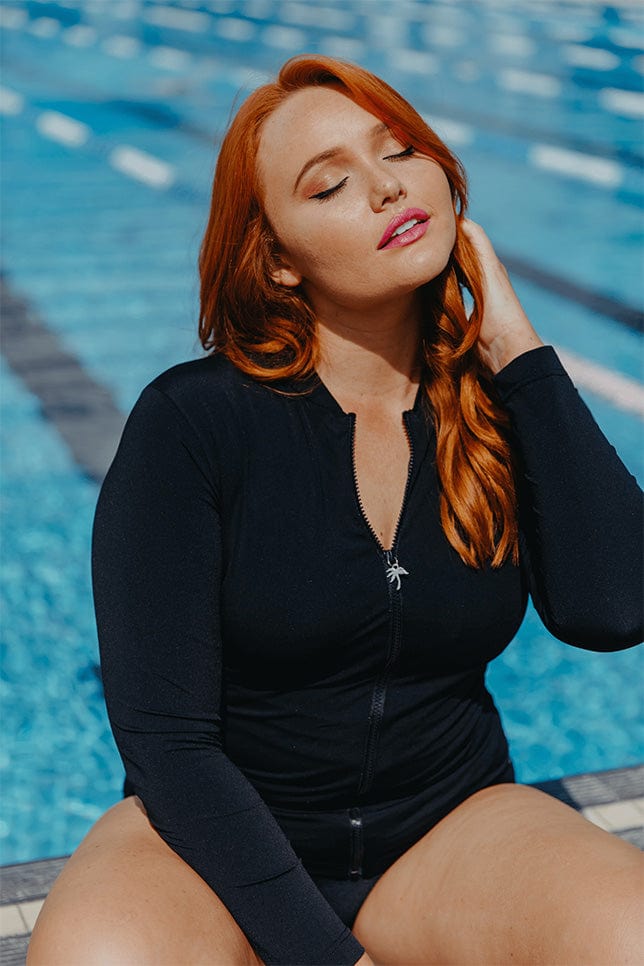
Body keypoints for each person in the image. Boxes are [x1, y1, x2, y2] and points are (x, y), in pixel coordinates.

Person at [28, 55, 643, 966]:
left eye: (399, 150)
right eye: (330, 185)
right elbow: (169, 744)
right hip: (213, 851)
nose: (387, 185)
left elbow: (615, 609)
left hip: (446, 830)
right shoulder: (193, 424)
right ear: (278, 259)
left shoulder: (492, 408)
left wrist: (517, 349)